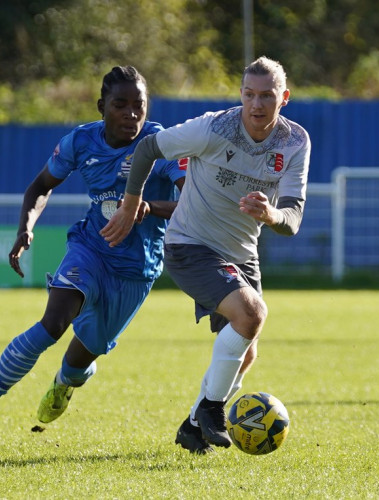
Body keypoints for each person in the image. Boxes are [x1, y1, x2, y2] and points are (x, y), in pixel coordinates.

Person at [0, 66, 185, 442]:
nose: (131, 114)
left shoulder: (162, 143)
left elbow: (194, 201)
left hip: (135, 270)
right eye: (120, 105)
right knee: (53, 323)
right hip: (90, 248)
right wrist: (26, 227)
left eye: (138, 105)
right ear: (101, 107)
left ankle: (65, 382)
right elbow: (40, 186)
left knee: (79, 362)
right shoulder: (81, 142)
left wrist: (147, 207)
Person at [101, 56, 310, 452]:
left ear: (283, 98)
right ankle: (213, 408)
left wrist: (271, 214)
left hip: (242, 253)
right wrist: (130, 206)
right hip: (190, 245)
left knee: (246, 352)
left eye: (266, 96)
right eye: (249, 94)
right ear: (241, 95)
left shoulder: (295, 141)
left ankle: (195, 424)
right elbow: (147, 150)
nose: (257, 104)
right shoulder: (214, 128)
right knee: (252, 314)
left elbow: (293, 218)